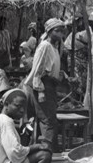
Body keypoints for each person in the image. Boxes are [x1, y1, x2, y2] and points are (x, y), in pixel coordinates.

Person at [23, 18, 66, 153]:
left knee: (50, 119)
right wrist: (40, 90)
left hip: (49, 85)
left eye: (61, 31)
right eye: (56, 31)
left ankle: (49, 149)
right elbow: (39, 69)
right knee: (48, 120)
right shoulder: (45, 46)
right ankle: (46, 151)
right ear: (49, 31)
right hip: (42, 85)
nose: (60, 34)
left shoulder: (54, 47)